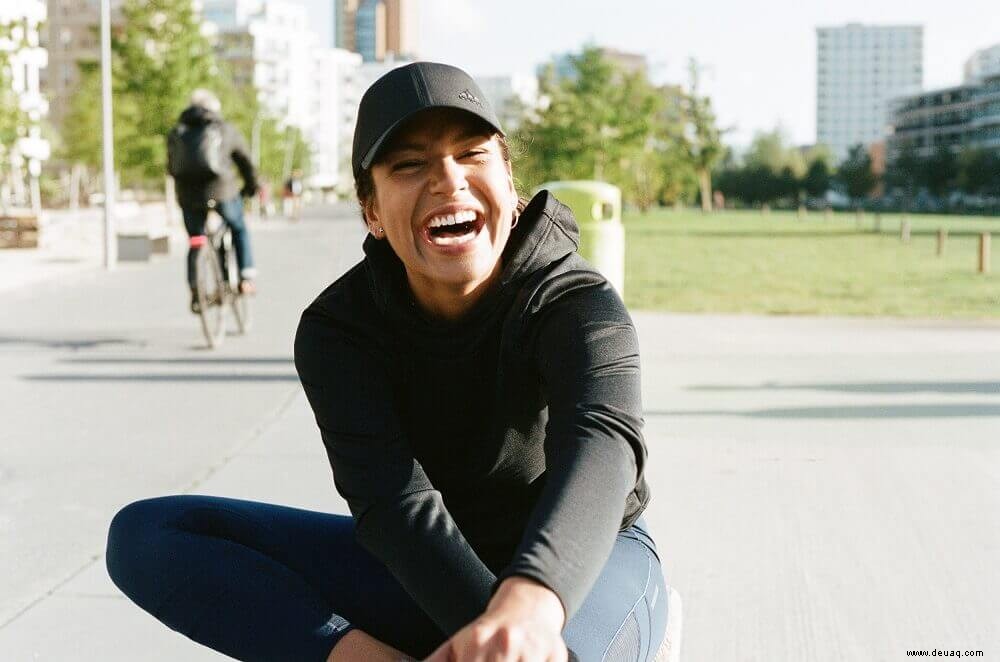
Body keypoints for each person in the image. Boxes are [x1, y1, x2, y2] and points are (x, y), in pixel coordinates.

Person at [107, 62, 671, 662]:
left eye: (472, 155)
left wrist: (526, 608)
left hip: (579, 573)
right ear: (371, 211)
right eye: (409, 165)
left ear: (509, 184)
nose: (448, 180)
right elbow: (394, 507)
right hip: (422, 572)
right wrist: (482, 636)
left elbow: (603, 444)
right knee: (149, 535)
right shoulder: (338, 330)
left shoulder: (575, 299)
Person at [167, 89, 259, 312]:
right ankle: (246, 277)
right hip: (222, 192)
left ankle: (196, 291)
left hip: (188, 196)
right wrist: (251, 187)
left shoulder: (176, 132)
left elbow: (171, 167)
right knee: (238, 228)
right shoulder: (224, 129)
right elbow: (245, 161)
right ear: (214, 109)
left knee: (196, 240)